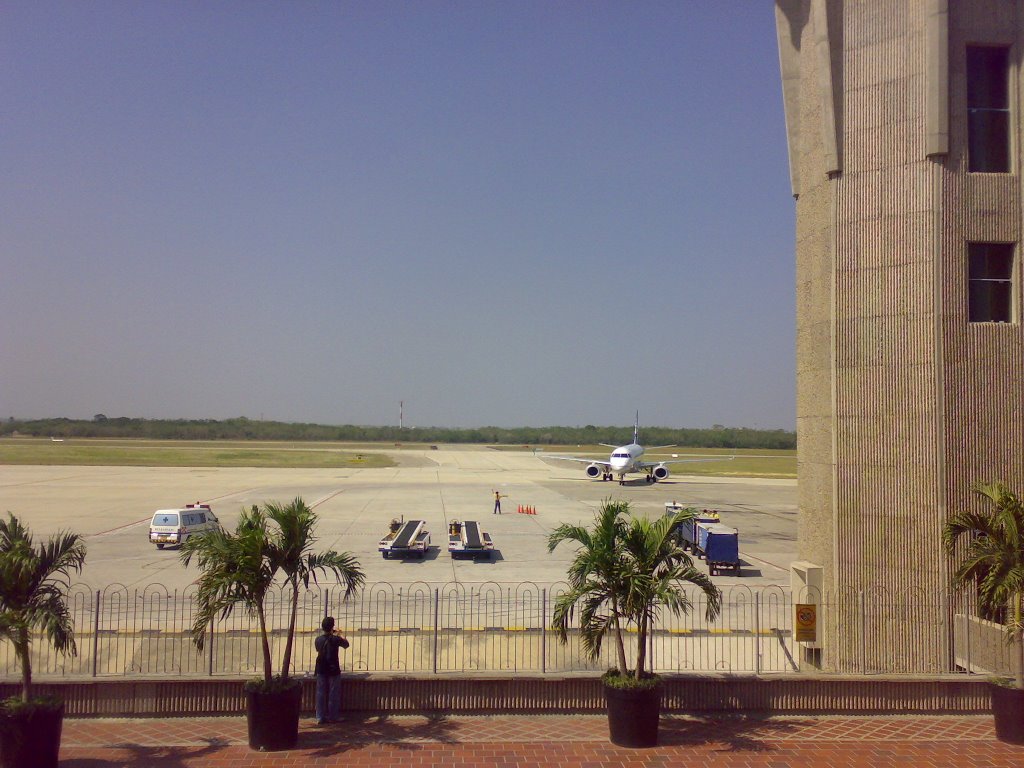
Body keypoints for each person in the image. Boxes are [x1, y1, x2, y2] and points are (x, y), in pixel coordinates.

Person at [314, 616, 349, 724]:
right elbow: (346, 645)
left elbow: (317, 649)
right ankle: (333, 716)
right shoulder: (336, 639)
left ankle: (320, 716)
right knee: (333, 693)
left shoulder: (318, 639)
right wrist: (340, 634)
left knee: (320, 692)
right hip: (333, 669)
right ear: (332, 627)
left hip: (321, 668)